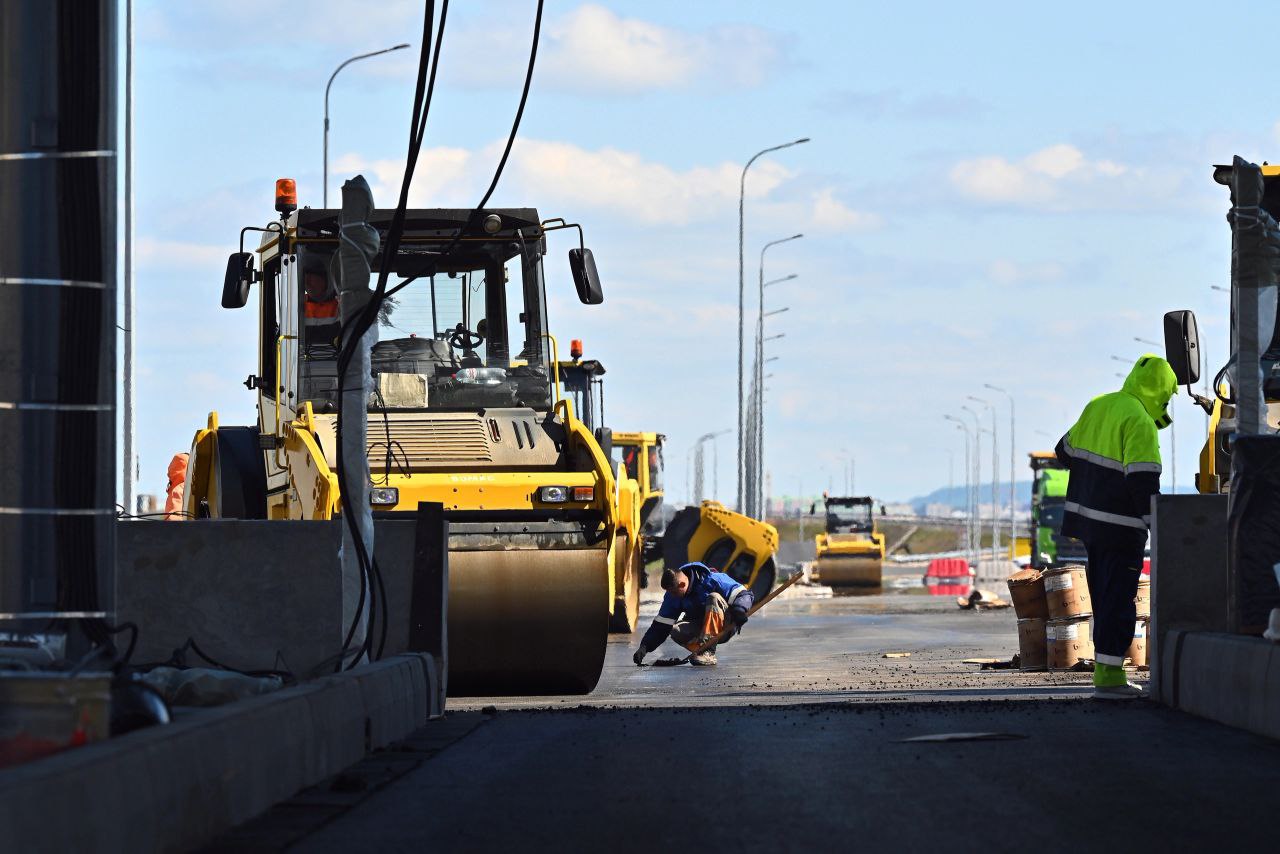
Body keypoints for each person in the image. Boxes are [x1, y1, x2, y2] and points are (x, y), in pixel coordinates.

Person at [1055, 354, 1177, 700]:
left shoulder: (1099, 405)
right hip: (1121, 528)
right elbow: (1143, 482)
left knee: (1104, 597)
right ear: (1160, 392)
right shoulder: (1140, 421)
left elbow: (1063, 452)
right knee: (1119, 600)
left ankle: (1106, 673)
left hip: (1088, 524)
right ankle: (1109, 679)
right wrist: (1160, 527)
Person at [632, 562, 754, 666]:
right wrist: (645, 647)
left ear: (682, 585)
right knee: (674, 629)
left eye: (674, 592)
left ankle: (708, 652)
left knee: (714, 598)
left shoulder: (714, 580)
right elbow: (662, 624)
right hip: (701, 629)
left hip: (725, 627)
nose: (672, 595)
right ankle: (700, 650)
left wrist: (740, 610)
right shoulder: (673, 594)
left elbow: (743, 594)